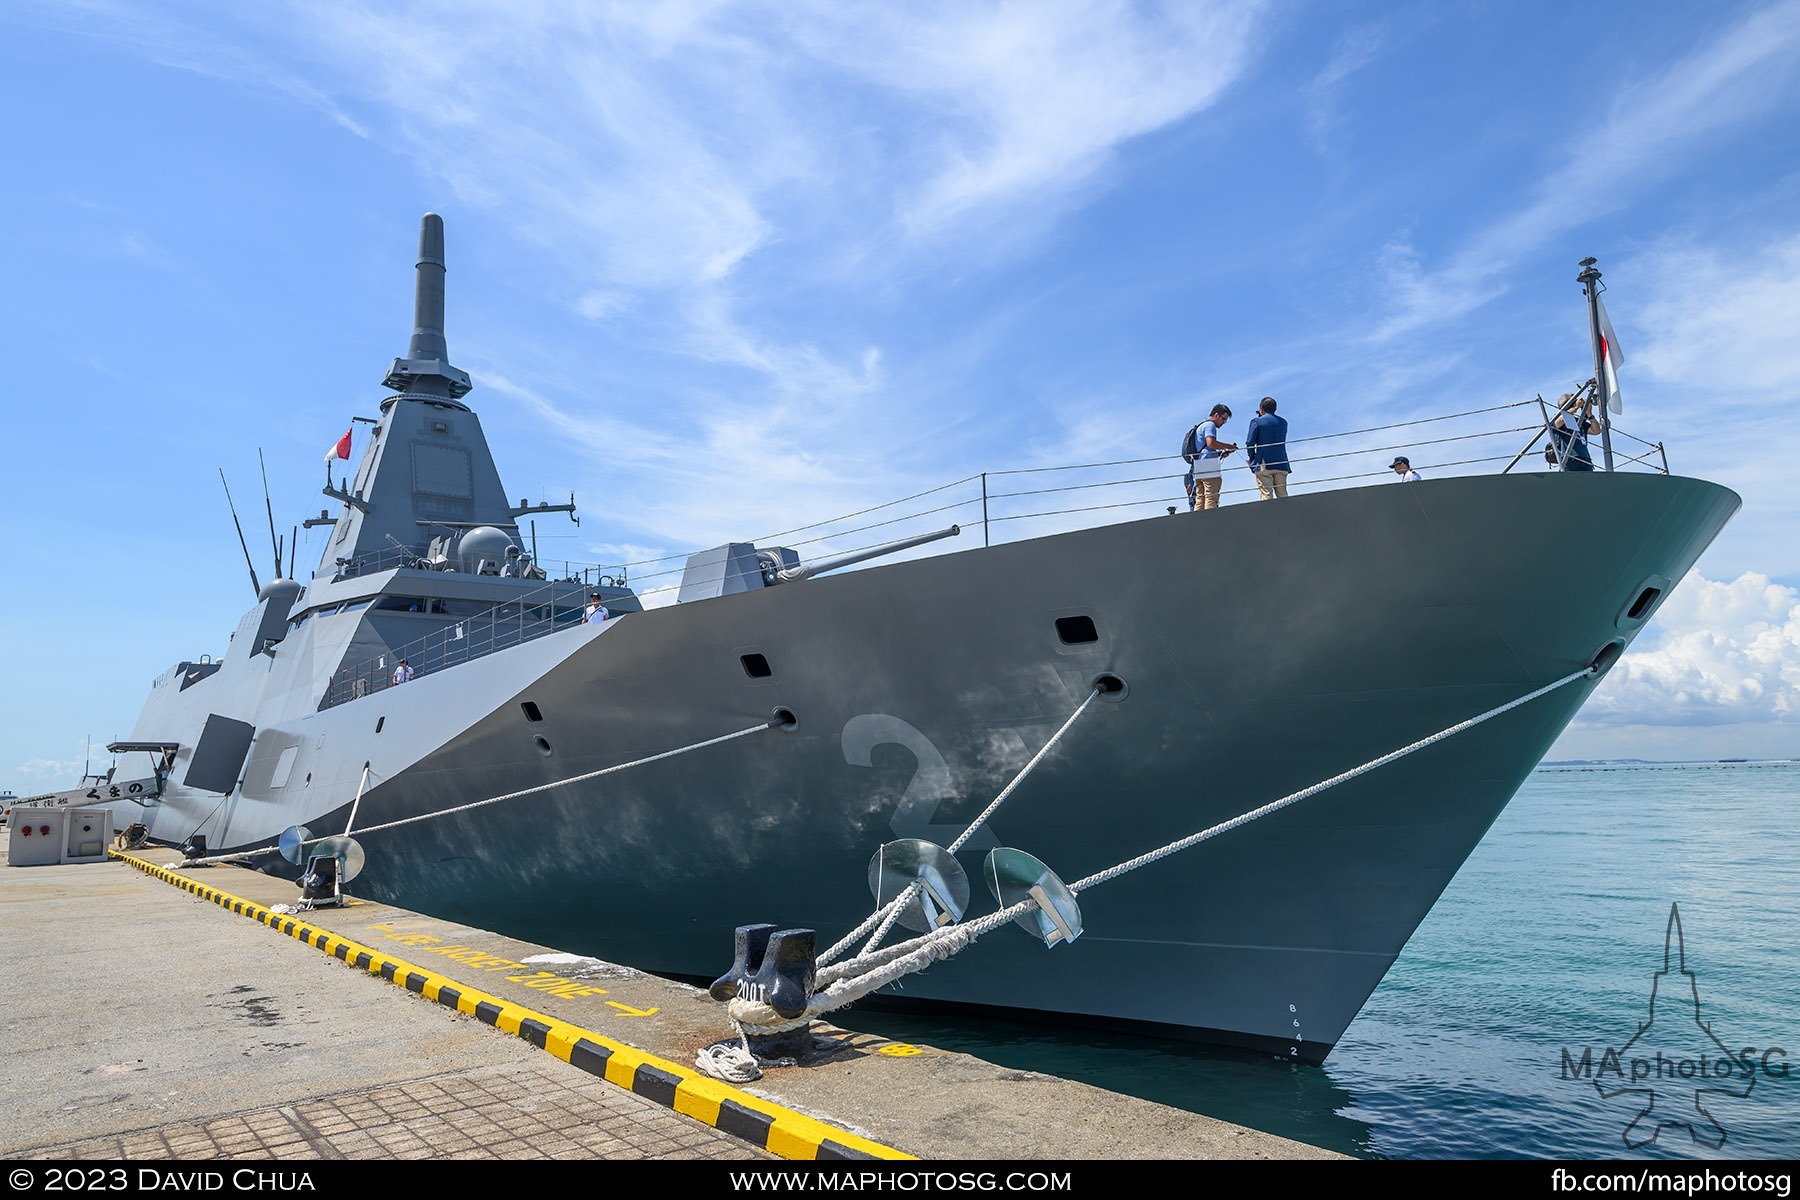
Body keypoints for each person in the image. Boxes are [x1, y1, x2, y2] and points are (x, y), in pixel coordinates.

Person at [1188, 404, 1238, 511]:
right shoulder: (1210, 425)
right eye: (1223, 419)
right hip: (1209, 466)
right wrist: (1229, 446)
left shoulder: (1201, 425)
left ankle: (1198, 523)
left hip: (1198, 465)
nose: (1224, 422)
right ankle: (1208, 523)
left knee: (1200, 498)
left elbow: (1206, 448)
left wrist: (1220, 454)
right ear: (1216, 415)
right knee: (1211, 496)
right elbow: (1211, 443)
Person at [1244, 397, 1290, 500]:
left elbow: (1250, 442)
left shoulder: (1256, 422)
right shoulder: (1283, 422)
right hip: (1282, 461)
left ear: (1261, 409)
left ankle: (1269, 515)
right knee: (1282, 493)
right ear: (1275, 408)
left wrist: (1252, 459)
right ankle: (1287, 514)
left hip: (1264, 462)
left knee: (1266, 494)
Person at [1548, 392, 1600, 472]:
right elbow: (1558, 422)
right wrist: (1576, 407)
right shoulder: (1557, 418)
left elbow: (1596, 431)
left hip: (1585, 459)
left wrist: (1589, 414)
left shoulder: (1578, 421)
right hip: (1569, 459)